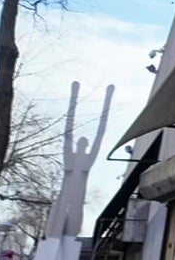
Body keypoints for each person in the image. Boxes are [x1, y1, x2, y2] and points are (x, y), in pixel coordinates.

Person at [44, 82, 114, 239]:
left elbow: (99, 134)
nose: (82, 143)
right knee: (53, 232)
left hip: (77, 199)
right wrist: (74, 96)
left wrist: (108, 99)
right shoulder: (71, 158)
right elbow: (67, 134)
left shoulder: (87, 161)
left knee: (71, 234)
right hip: (65, 196)